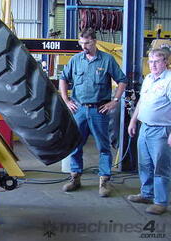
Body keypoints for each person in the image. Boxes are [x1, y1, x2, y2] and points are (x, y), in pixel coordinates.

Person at [59, 28, 128, 197]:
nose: (84, 47)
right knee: (75, 144)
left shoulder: (107, 60)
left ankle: (104, 180)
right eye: (81, 43)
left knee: (103, 147)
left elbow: (122, 80)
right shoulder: (76, 60)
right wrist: (67, 101)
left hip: (99, 110)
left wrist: (115, 101)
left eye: (87, 43)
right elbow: (63, 78)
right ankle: (75, 177)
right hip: (79, 110)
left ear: (95, 41)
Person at [127, 48, 171, 215]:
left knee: (161, 167)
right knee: (144, 164)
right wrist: (133, 121)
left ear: (165, 61)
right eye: (150, 61)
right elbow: (141, 102)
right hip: (144, 128)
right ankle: (146, 194)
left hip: (162, 130)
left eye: (157, 61)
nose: (152, 65)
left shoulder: (169, 80)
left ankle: (160, 202)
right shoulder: (148, 79)